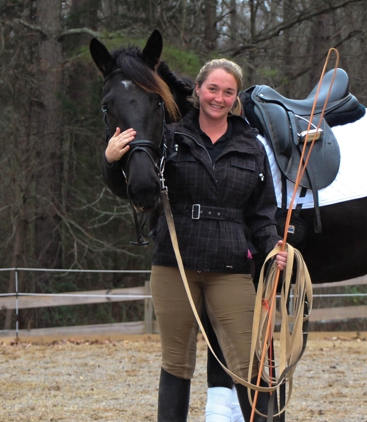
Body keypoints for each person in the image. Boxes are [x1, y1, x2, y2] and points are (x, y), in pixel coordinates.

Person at [102, 58, 287, 422]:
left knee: (254, 363)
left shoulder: (253, 147)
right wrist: (110, 162)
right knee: (176, 362)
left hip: (231, 266)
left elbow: (262, 215)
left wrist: (274, 247)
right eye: (212, 89)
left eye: (228, 92)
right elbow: (136, 188)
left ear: (236, 99)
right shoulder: (169, 137)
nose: (219, 97)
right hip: (175, 265)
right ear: (199, 90)